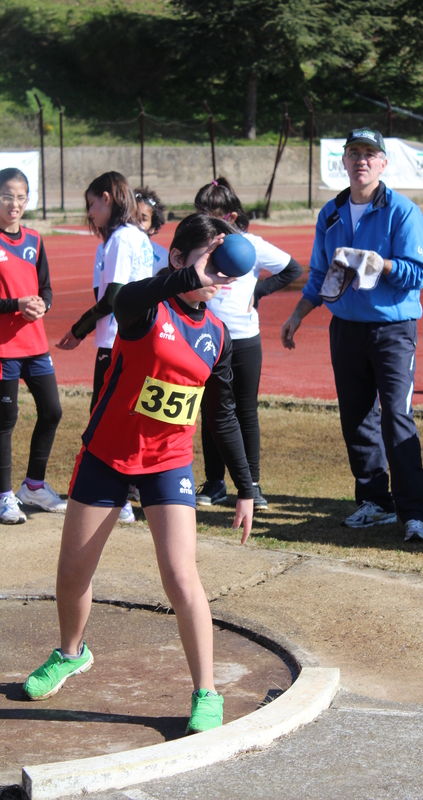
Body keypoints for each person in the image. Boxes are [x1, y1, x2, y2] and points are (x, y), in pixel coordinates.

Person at [23, 214, 254, 736]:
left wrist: (248, 488)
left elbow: (221, 415)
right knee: (74, 572)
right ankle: (70, 653)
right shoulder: (145, 308)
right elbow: (123, 297)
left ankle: (206, 691)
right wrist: (187, 275)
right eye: (210, 263)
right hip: (106, 456)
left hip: (168, 463)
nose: (219, 277)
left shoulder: (217, 334)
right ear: (178, 259)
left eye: (224, 269)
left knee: (180, 576)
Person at [281, 128, 423, 543]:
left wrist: (380, 264)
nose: (361, 160)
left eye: (370, 154)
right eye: (354, 153)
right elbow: (318, 273)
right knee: (357, 419)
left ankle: (415, 513)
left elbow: (418, 275)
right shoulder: (330, 213)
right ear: (343, 163)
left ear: (383, 163)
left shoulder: (402, 211)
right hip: (345, 329)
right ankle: (374, 502)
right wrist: (298, 314)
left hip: (392, 330)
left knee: (396, 419)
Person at [193, 177, 303, 509]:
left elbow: (292, 269)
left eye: (211, 215)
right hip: (206, 338)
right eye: (201, 214)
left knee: (245, 411)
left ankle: (252, 484)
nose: (206, 222)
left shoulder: (251, 245)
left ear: (229, 215)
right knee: (210, 409)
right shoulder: (201, 247)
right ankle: (215, 483)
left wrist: (259, 292)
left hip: (243, 340)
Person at [58, 171, 154, 523]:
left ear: (106, 198)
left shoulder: (118, 241)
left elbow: (113, 297)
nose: (90, 212)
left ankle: (115, 498)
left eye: (91, 204)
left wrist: (78, 329)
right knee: (132, 416)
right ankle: (131, 492)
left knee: (105, 418)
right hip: (138, 338)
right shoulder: (137, 237)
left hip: (115, 341)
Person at [0, 167, 65, 524]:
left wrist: (43, 304)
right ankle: (4, 495)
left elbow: (46, 288)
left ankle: (33, 486)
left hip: (35, 346)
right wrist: (15, 305)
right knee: (5, 421)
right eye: (7, 195)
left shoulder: (35, 240)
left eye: (21, 197)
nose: (15, 203)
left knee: (52, 411)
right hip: (3, 349)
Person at [134, 186, 169, 274]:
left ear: (152, 228)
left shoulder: (162, 256)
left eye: (143, 219)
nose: (136, 222)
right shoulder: (112, 248)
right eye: (133, 216)